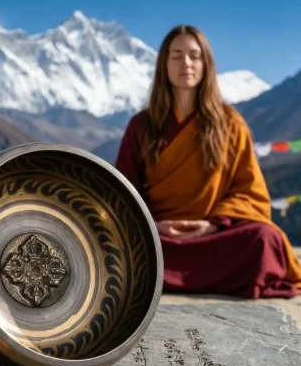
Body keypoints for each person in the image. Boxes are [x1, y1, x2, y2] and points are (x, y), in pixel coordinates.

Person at [115, 25, 301, 298]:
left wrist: (213, 225)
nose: (186, 63)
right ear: (163, 64)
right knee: (117, 242)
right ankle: (211, 277)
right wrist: (153, 225)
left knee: (264, 239)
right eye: (176, 56)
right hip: (157, 235)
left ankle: (157, 276)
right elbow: (122, 191)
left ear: (206, 65)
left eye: (194, 55)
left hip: (212, 235)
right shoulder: (142, 125)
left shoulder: (229, 123)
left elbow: (248, 191)